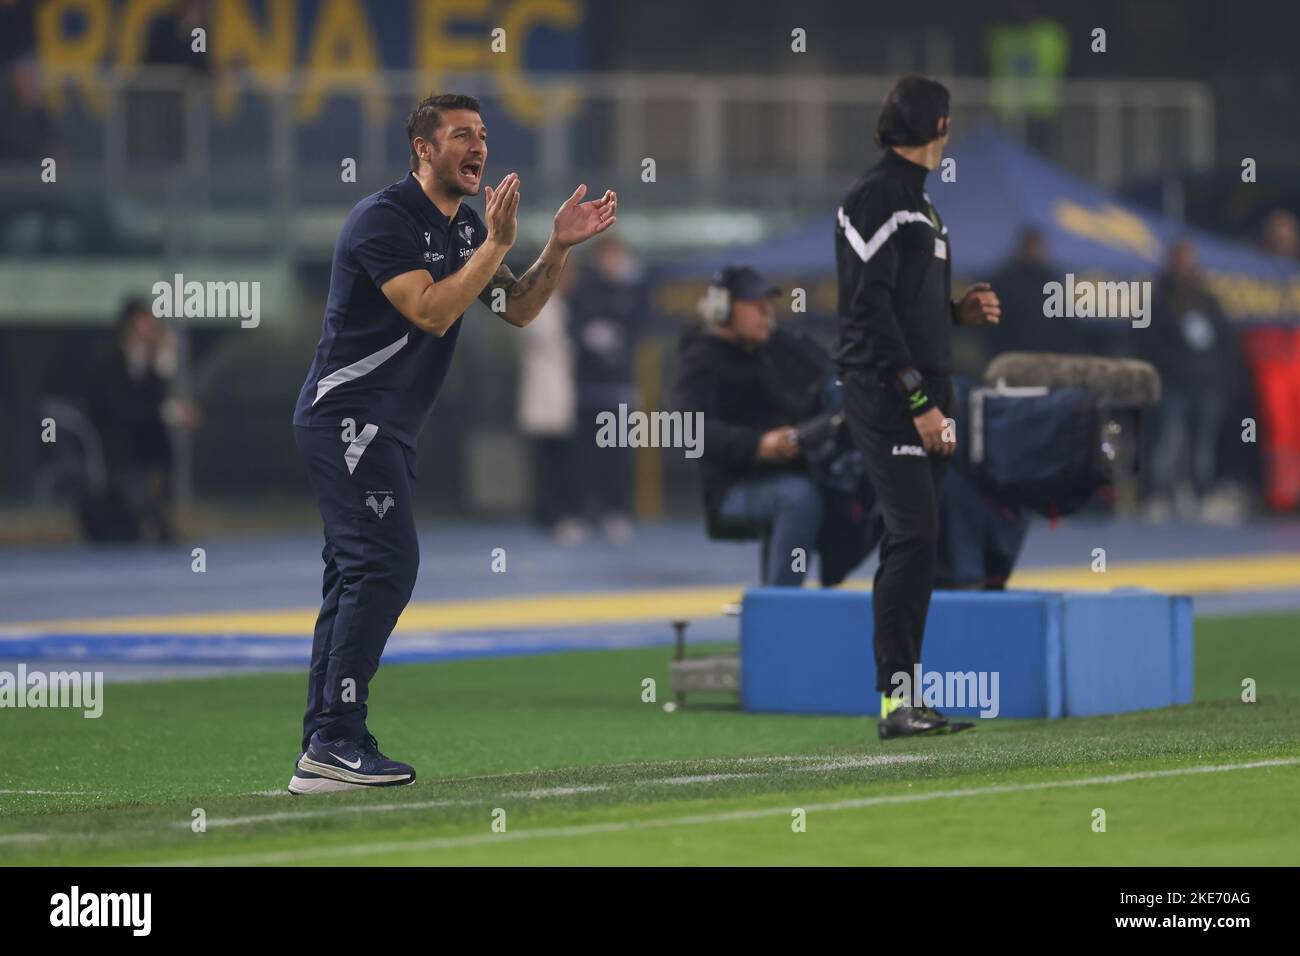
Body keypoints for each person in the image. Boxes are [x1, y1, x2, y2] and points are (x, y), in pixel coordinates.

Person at [289, 93, 616, 794]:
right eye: (462, 134)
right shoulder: (383, 219)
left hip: (384, 428)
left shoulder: (466, 229)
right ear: (423, 149)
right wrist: (497, 244)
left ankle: (327, 741)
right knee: (384, 565)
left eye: (484, 135)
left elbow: (520, 309)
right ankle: (335, 739)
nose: (479, 147)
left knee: (353, 575)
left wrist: (554, 245)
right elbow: (433, 312)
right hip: (347, 419)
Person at [835, 75, 1000, 740]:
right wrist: (921, 402)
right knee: (911, 536)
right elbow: (868, 311)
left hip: (924, 387)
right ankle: (894, 703)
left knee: (921, 539)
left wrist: (953, 312)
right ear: (938, 130)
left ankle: (906, 698)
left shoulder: (917, 204)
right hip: (890, 390)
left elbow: (900, 302)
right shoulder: (882, 197)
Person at [674, 266, 827, 586]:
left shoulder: (770, 351)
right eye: (755, 303)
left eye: (768, 304)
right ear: (722, 308)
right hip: (732, 489)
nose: (766, 312)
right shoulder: (700, 360)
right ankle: (780, 609)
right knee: (798, 498)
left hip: (785, 475)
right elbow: (686, 431)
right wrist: (758, 445)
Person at [84, 297, 199, 544]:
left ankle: (156, 517)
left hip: (147, 442)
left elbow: (155, 400)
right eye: (144, 320)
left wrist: (163, 366)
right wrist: (166, 412)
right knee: (131, 496)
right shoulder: (110, 360)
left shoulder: (153, 362)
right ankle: (142, 519)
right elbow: (119, 406)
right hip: (118, 441)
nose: (151, 326)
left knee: (157, 447)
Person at [1143, 239, 1240, 518]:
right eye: (1180, 259)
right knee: (1168, 442)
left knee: (1203, 446)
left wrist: (1218, 376)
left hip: (1206, 384)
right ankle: (1159, 495)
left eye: (1189, 260)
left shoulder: (1207, 299)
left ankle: (1201, 494)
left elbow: (1225, 341)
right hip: (1173, 383)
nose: (1185, 266)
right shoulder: (1159, 297)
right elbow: (1149, 342)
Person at [566, 234, 651, 543]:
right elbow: (573, 326)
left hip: (619, 388)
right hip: (587, 388)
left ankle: (616, 513)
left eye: (618, 256)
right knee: (584, 457)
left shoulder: (632, 291)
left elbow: (642, 325)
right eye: (607, 256)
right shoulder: (584, 290)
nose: (613, 262)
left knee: (618, 456)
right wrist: (588, 337)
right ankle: (580, 513)